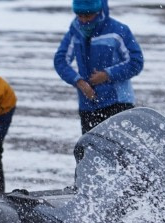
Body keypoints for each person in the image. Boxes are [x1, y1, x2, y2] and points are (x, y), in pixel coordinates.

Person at [54, 0, 143, 134]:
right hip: (88, 106)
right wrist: (79, 82)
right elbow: (60, 61)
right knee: (89, 151)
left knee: (119, 152)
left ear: (98, 11)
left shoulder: (118, 31)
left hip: (119, 103)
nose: (83, 21)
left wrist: (108, 75)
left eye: (88, 16)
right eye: (80, 16)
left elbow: (136, 62)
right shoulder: (74, 32)